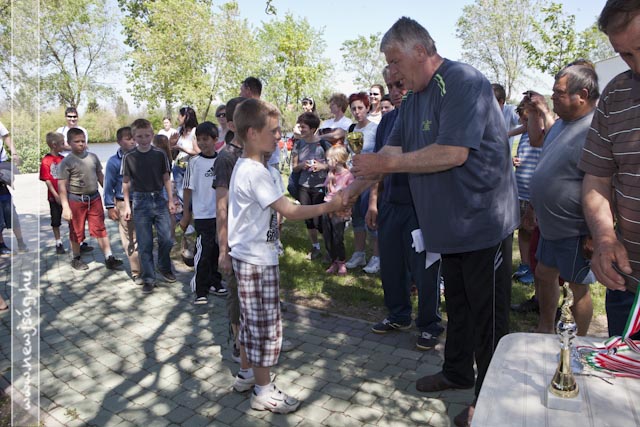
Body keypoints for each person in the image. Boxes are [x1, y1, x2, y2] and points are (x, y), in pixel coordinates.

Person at [345, 17, 519, 426]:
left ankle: (490, 399)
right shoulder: (413, 100)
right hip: (448, 227)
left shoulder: (462, 82)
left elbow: (453, 153)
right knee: (457, 304)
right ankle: (457, 371)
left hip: (482, 221)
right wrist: (348, 193)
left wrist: (384, 164)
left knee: (488, 316)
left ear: (420, 52)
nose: (391, 71)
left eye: (395, 61)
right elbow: (390, 152)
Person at [227, 98, 343, 414]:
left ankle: (247, 373)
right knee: (264, 326)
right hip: (256, 261)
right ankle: (263, 391)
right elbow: (290, 211)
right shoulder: (255, 172)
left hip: (249, 257)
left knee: (250, 322)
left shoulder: (247, 166)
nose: (280, 136)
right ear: (252, 133)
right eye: (274, 131)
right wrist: (331, 205)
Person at [367, 67, 444, 350]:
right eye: (390, 86)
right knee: (391, 265)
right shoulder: (387, 120)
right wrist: (373, 201)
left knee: (424, 269)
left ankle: (430, 324)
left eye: (399, 84)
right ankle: (398, 314)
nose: (395, 91)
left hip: (420, 206)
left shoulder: (428, 116)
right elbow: (378, 163)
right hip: (390, 202)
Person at [579, 0, 640, 339]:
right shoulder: (616, 94)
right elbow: (597, 179)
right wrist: (604, 237)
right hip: (628, 287)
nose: (637, 65)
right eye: (625, 54)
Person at [528, 65, 599, 336]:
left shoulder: (596, 130)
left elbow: (607, 184)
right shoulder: (559, 124)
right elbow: (545, 163)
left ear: (582, 95)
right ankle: (545, 328)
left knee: (577, 286)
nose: (553, 97)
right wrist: (533, 207)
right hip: (550, 226)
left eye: (559, 92)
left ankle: (578, 343)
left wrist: (594, 234)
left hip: (576, 229)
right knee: (544, 274)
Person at [122, 119, 176, 294]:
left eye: (147, 136)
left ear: (152, 135)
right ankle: (149, 278)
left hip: (159, 198)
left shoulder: (160, 154)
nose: (144, 139)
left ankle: (164, 265)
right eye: (140, 136)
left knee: (166, 239)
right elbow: (126, 182)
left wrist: (170, 199)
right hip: (140, 201)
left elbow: (166, 177)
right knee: (145, 243)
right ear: (134, 137)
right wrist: (127, 205)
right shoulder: (129, 157)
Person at [58, 128, 122, 271]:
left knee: (100, 227)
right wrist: (65, 207)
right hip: (76, 200)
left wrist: (110, 196)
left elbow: (101, 177)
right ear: (69, 143)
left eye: (83, 141)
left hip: (94, 199)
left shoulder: (93, 157)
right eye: (77, 141)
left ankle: (109, 257)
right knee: (76, 230)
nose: (81, 144)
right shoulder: (66, 162)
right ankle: (76, 257)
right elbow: (62, 186)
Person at [180, 122, 227, 304]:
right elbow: (187, 189)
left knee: (216, 250)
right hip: (202, 215)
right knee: (204, 251)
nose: (202, 143)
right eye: (198, 139)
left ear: (215, 140)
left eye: (205, 139)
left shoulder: (222, 160)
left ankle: (215, 282)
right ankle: (200, 289)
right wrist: (186, 213)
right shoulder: (194, 162)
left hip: (220, 214)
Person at [344, 92, 380, 274]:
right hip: (354, 179)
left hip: (370, 180)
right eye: (353, 109)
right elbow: (348, 154)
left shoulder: (376, 129)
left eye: (360, 108)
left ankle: (377, 256)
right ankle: (359, 253)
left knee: (371, 218)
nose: (357, 112)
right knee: (357, 216)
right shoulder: (351, 129)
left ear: (367, 108)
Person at [290, 112, 330, 260]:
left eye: (303, 127)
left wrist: (322, 166)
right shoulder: (298, 144)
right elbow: (294, 167)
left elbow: (334, 164)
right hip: (303, 186)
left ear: (313, 129)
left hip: (320, 185)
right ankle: (315, 247)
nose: (300, 129)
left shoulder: (324, 144)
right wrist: (302, 165)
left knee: (320, 221)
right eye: (300, 126)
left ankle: (330, 249)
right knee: (308, 219)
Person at [104, 126, 141, 284]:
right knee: (130, 237)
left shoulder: (141, 156)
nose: (132, 141)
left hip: (142, 200)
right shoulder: (114, 161)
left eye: (134, 138)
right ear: (119, 142)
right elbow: (108, 184)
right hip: (123, 203)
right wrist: (110, 206)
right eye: (128, 139)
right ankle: (137, 272)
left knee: (144, 236)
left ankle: (148, 267)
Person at [510, 100, 542, 285]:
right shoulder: (524, 133)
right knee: (522, 230)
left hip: (534, 195)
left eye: (526, 120)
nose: (524, 123)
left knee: (532, 231)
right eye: (522, 120)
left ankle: (534, 267)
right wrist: (514, 160)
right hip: (519, 191)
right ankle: (525, 265)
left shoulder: (544, 134)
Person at [322, 145, 354, 275]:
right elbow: (328, 189)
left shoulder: (348, 175)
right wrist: (330, 179)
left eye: (328, 160)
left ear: (337, 160)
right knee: (327, 236)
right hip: (327, 207)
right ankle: (333, 260)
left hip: (340, 211)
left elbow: (350, 193)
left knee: (337, 237)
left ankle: (341, 261)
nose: (327, 162)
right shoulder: (331, 173)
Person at [39, 132, 66, 254]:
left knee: (72, 218)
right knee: (55, 220)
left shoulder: (63, 159)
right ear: (54, 145)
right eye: (62, 143)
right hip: (54, 196)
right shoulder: (46, 160)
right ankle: (58, 242)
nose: (64, 145)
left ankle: (78, 241)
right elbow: (47, 180)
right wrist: (55, 195)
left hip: (66, 194)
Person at [170, 106, 199, 208]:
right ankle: (185, 213)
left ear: (186, 117)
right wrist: (171, 144)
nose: (177, 117)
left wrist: (182, 148)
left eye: (180, 115)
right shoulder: (179, 130)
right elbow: (172, 151)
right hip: (178, 167)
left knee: (191, 195)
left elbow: (198, 152)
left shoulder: (195, 131)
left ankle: (190, 213)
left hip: (190, 168)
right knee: (180, 194)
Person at [492, 83, 524, 151]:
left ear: (501, 102)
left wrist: (507, 135)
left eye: (490, 102)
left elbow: (527, 124)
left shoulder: (511, 110)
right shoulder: (484, 112)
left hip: (503, 155)